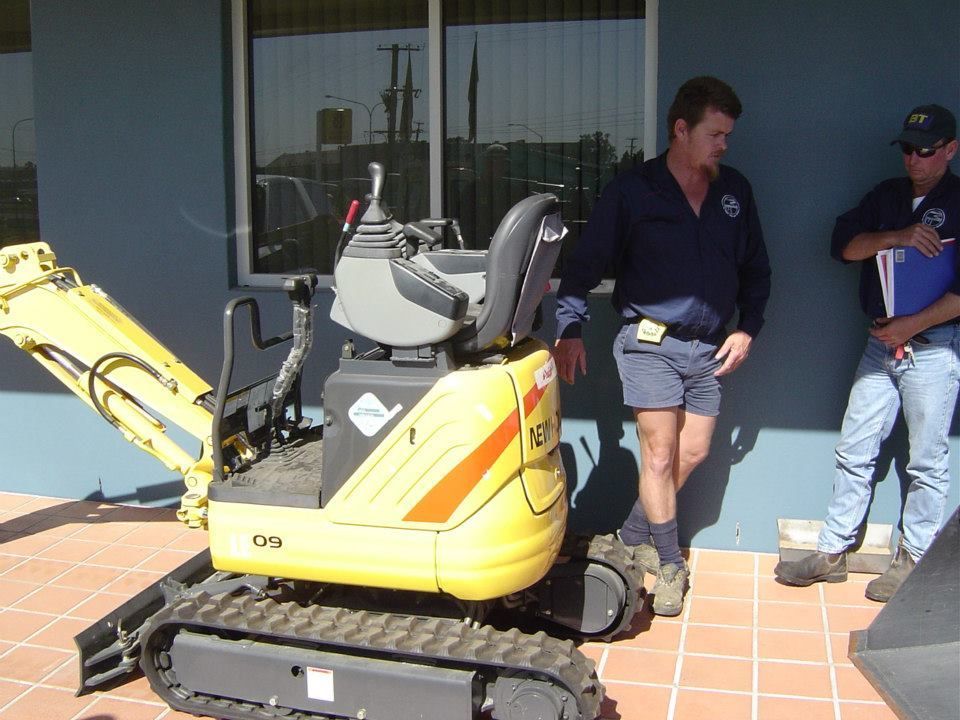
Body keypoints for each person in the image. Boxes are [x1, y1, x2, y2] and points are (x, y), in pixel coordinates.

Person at [553, 76, 771, 616]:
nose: (724, 145)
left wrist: (748, 327)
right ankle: (671, 564)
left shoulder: (734, 192)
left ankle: (632, 532)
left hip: (710, 348)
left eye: (728, 135)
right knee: (659, 452)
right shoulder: (633, 191)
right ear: (681, 129)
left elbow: (756, 267)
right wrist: (570, 327)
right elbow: (584, 264)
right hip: (649, 343)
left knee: (692, 452)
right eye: (715, 134)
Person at [774, 104, 960, 602]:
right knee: (854, 449)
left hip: (933, 349)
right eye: (907, 149)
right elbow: (843, 247)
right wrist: (898, 236)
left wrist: (910, 326)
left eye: (925, 151)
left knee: (926, 462)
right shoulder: (887, 196)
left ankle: (913, 561)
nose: (914, 159)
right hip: (880, 345)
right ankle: (833, 551)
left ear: (950, 150)